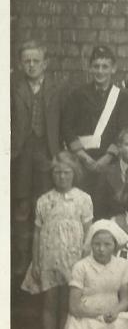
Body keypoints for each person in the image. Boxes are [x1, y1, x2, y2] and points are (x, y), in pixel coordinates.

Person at [23, 152, 92, 329]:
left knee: (67, 302)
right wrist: (36, 260)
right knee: (50, 301)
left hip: (73, 258)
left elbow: (88, 231)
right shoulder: (44, 200)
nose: (62, 177)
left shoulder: (83, 198)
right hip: (49, 256)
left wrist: (85, 258)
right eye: (57, 173)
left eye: (66, 172)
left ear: (74, 174)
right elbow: (37, 232)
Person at [12, 40, 65, 278]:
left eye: (36, 61)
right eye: (27, 61)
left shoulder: (58, 88)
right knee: (22, 205)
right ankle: (21, 259)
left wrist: (60, 153)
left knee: (44, 205)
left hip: (47, 152)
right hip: (20, 153)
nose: (31, 66)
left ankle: (41, 258)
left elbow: (64, 122)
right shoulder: (12, 87)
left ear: (45, 64)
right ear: (20, 64)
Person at [61, 44, 128, 194]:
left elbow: (123, 130)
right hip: (80, 161)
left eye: (105, 67)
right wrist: (84, 158)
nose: (100, 71)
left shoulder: (122, 97)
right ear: (90, 68)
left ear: (113, 68)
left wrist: (107, 158)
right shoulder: (77, 95)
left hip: (109, 162)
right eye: (96, 66)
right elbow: (66, 127)